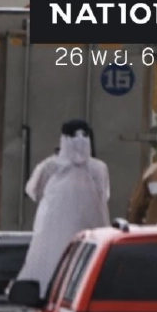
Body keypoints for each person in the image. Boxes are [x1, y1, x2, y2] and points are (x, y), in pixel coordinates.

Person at [15, 119, 111, 287]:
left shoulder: (50, 166)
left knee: (52, 272)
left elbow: (34, 191)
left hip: (54, 234)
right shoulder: (98, 168)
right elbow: (104, 195)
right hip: (91, 235)